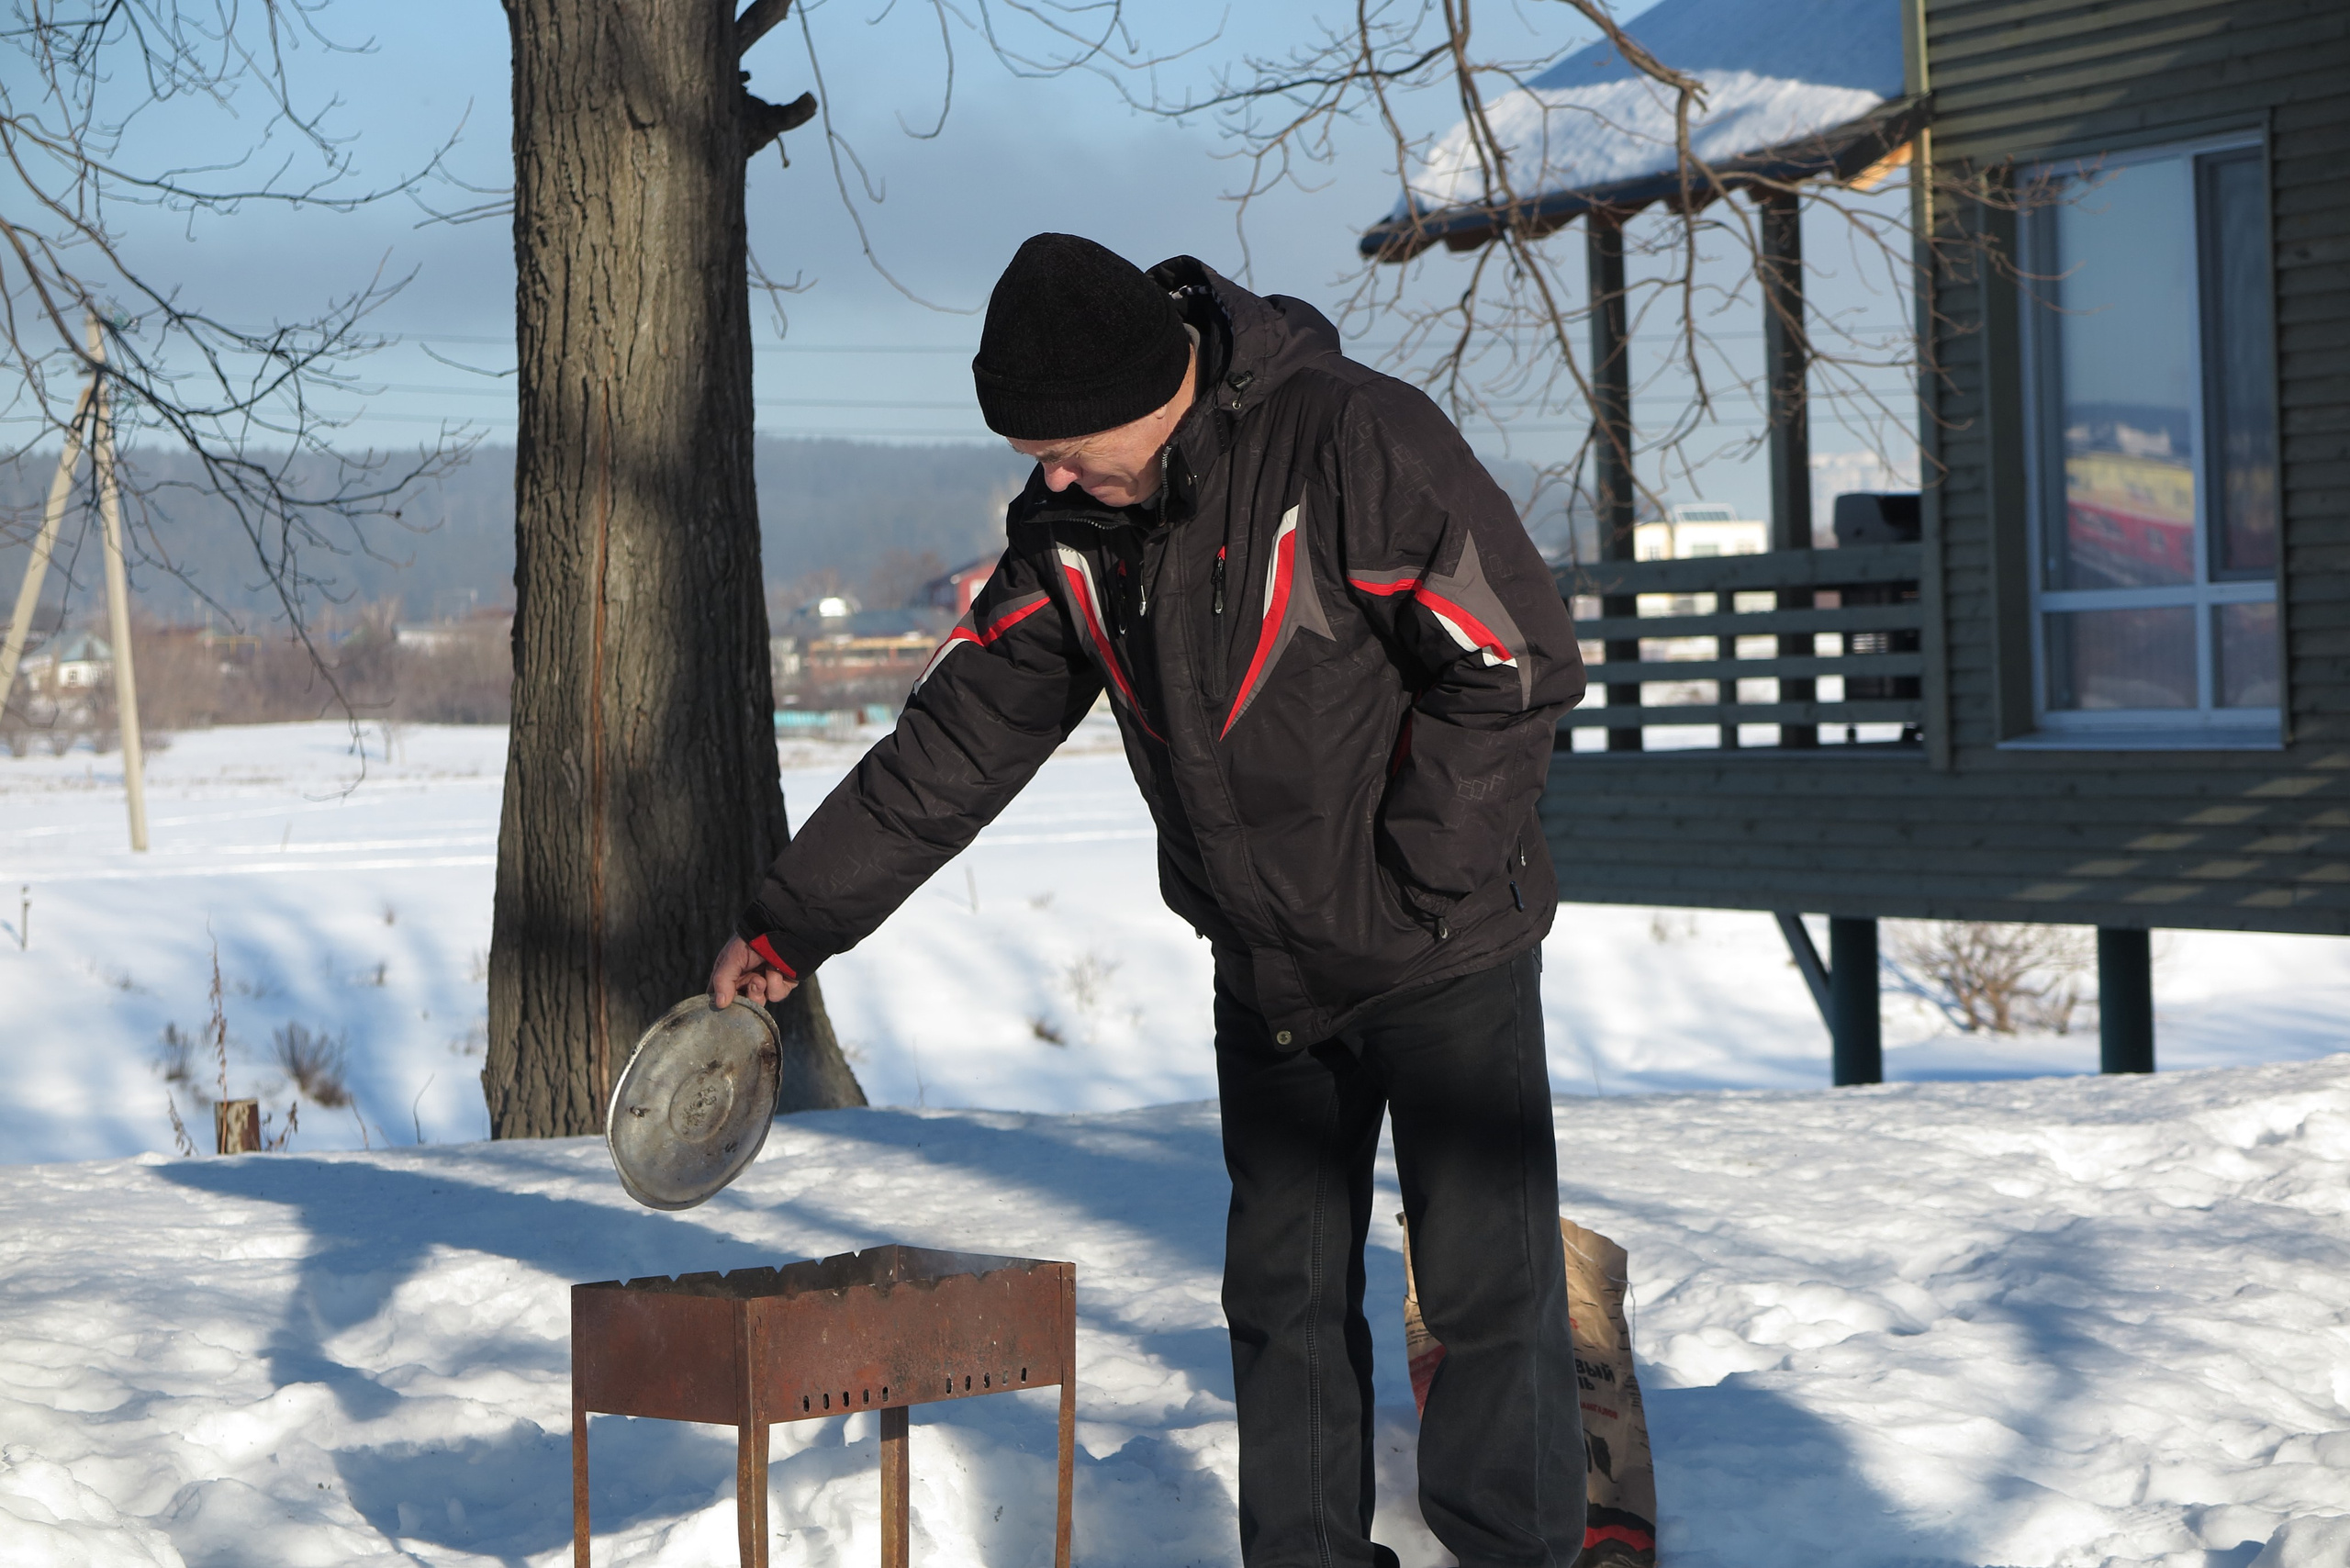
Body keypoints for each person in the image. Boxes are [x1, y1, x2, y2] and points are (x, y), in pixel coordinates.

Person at [711, 233, 1589, 1566]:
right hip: (1270, 978)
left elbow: (1513, 660)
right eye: (1031, 458)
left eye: (1064, 448)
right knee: (1281, 1303)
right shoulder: (1070, 537)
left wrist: (1424, 874)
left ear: (1154, 384)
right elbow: (954, 747)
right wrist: (793, 922)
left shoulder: (1354, 443)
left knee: (1485, 1293)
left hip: (1444, 951)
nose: (1049, 478)